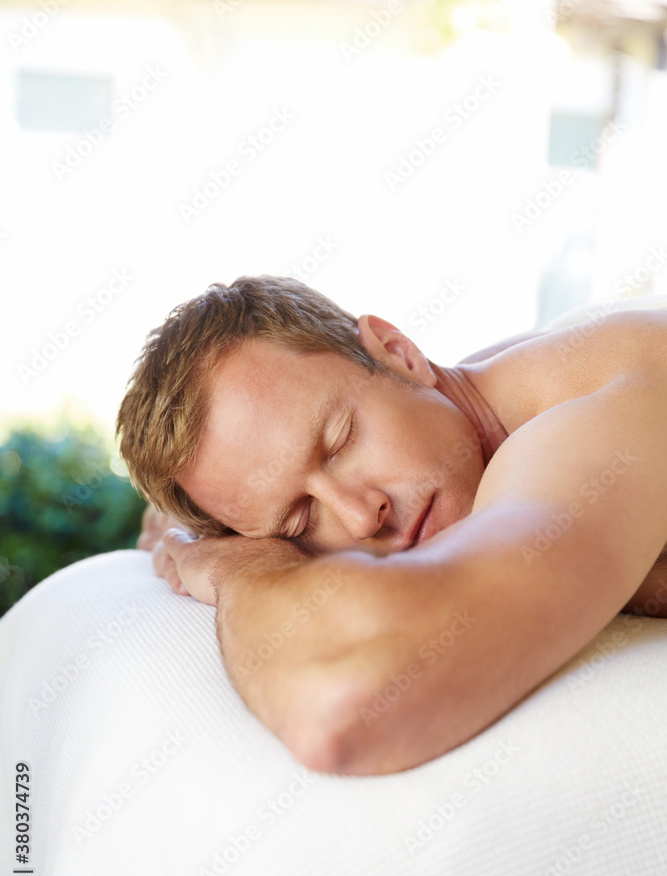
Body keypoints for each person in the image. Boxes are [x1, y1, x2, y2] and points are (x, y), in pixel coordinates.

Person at [116, 276, 667, 777]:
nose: (361, 516)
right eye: (300, 519)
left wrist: (236, 566)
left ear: (399, 354)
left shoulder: (592, 407)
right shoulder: (471, 410)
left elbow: (341, 709)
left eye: (341, 441)